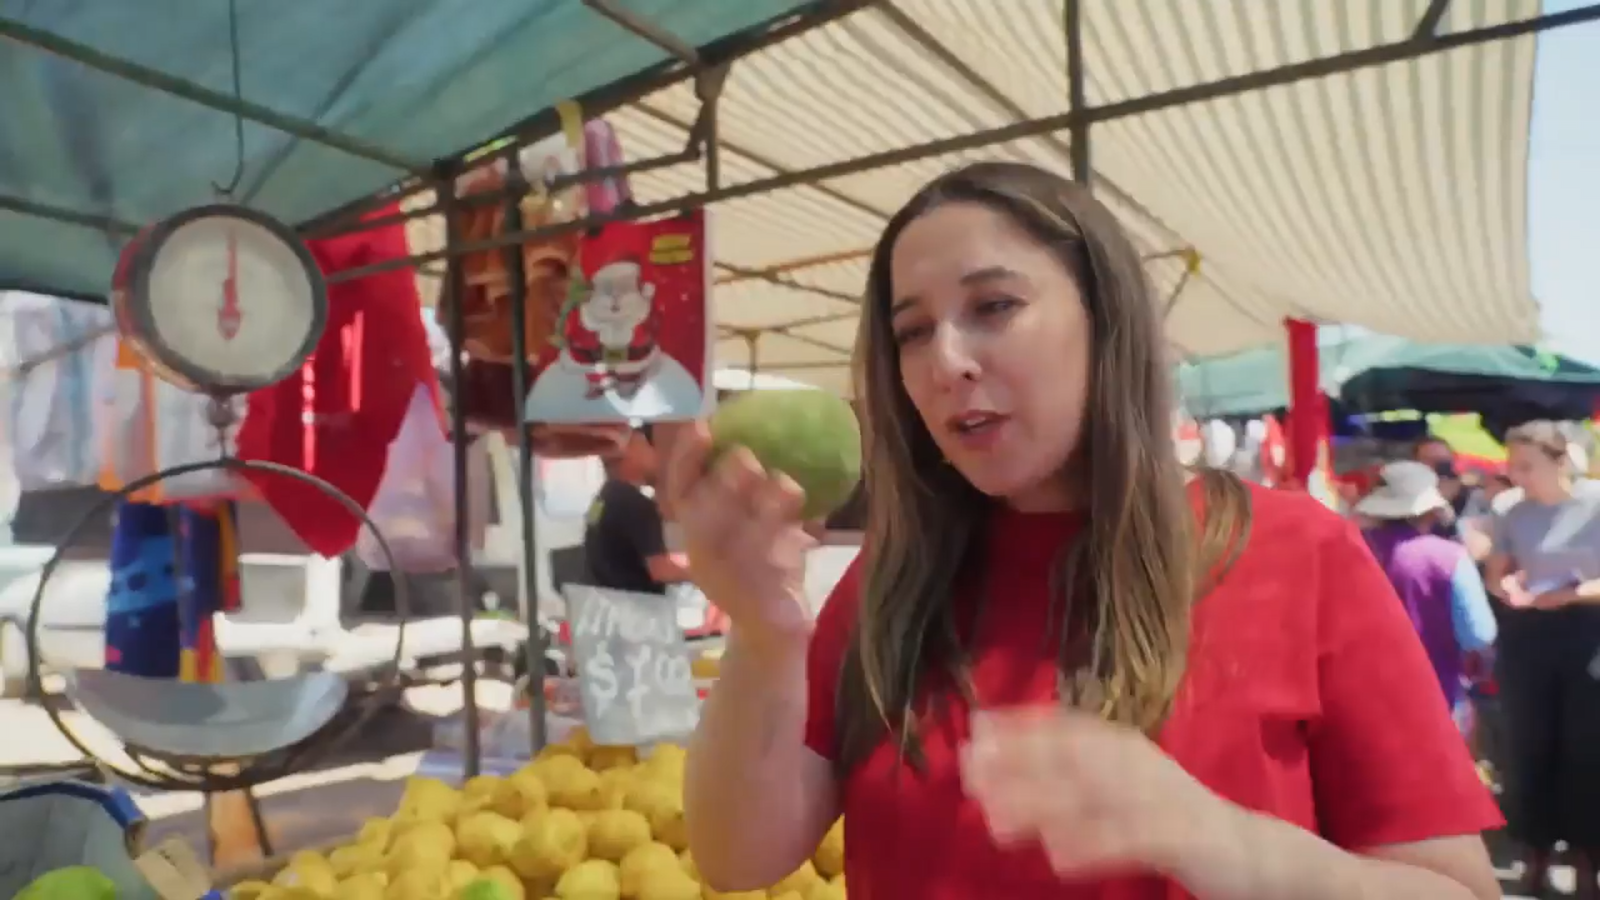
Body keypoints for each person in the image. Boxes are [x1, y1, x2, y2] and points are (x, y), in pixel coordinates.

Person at [671, 162, 1500, 900]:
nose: (944, 361)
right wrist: (765, 632)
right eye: (912, 330)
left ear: (1105, 320)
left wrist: (1219, 840)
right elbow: (739, 859)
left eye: (993, 306)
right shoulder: (888, 585)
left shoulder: (1298, 554)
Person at [1485, 420, 1600, 898]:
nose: (1518, 476)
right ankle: (1535, 854)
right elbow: (1497, 571)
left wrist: (1574, 594)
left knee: (1586, 751)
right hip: (1530, 635)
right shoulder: (1513, 512)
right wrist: (1506, 586)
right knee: (1528, 748)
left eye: (1527, 466)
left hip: (1588, 636)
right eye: (1513, 467)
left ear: (1559, 462)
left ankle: (1586, 861)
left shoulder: (1595, 504)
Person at [1355, 460, 1497, 729]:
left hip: (1361, 695)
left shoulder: (1351, 549)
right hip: (1436, 694)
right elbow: (1478, 634)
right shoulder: (1448, 557)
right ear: (1431, 510)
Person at [583, 424, 689, 594]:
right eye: (652, 448)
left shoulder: (602, 499)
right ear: (633, 450)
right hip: (638, 610)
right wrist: (709, 573)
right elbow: (661, 570)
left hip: (609, 605)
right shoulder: (634, 504)